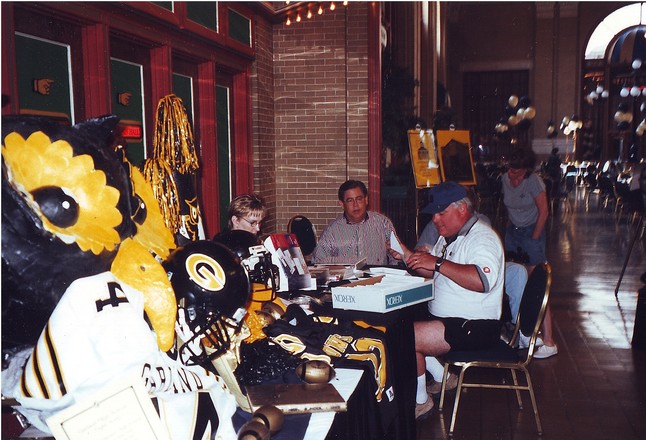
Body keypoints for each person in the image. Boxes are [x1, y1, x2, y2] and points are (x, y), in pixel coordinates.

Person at [389, 181, 505, 420]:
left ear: (462, 208)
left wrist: (439, 263)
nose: (435, 220)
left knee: (404, 336)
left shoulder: (482, 238)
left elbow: (483, 280)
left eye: (442, 213)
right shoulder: (449, 238)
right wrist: (406, 254)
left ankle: (421, 401)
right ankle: (443, 377)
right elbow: (433, 271)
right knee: (399, 323)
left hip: (475, 325)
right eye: (435, 213)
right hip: (451, 320)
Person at [502, 148, 557, 359]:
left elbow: (544, 211)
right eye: (510, 169)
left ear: (526, 170)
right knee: (516, 281)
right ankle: (520, 331)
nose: (512, 174)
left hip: (531, 233)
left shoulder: (534, 181)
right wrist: (508, 231)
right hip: (512, 233)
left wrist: (534, 237)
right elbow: (509, 208)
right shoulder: (504, 180)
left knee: (537, 283)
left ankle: (549, 340)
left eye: (517, 171)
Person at [312, 179, 396, 266]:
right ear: (342, 204)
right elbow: (318, 260)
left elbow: (396, 257)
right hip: (347, 278)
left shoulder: (383, 223)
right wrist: (347, 262)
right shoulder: (332, 231)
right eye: (350, 200)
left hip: (378, 278)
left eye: (359, 199)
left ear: (366, 200)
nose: (355, 205)